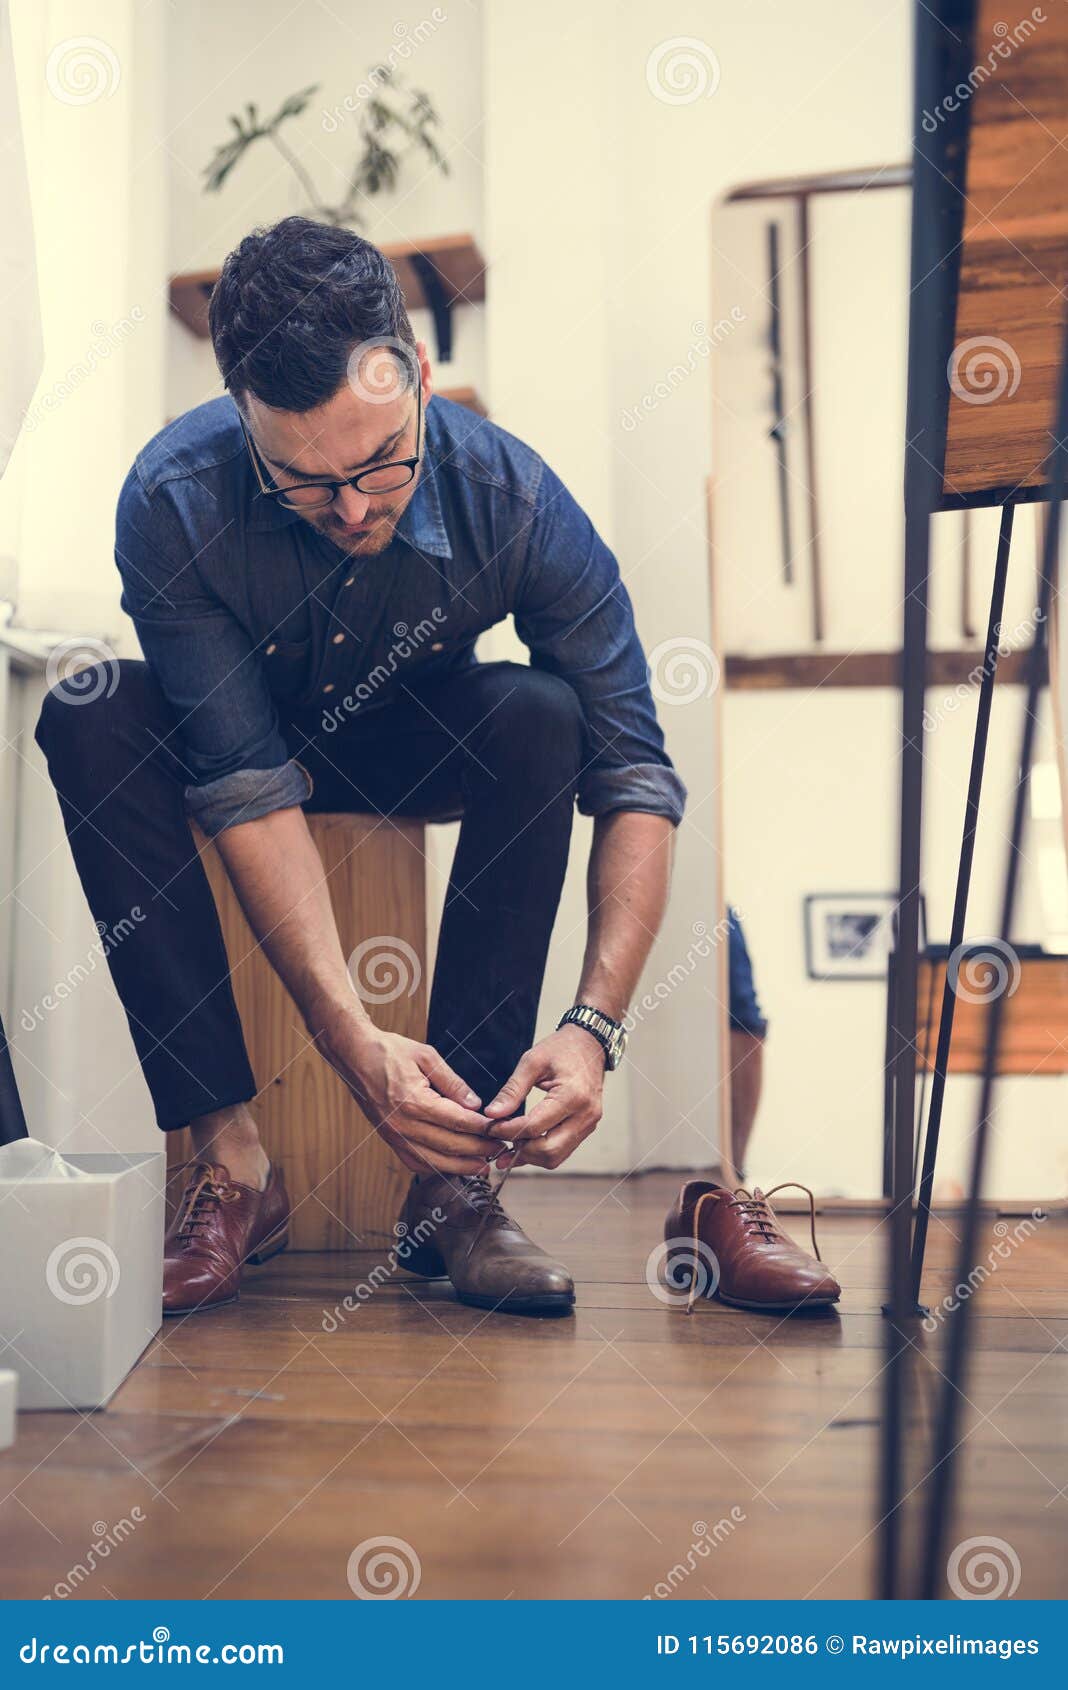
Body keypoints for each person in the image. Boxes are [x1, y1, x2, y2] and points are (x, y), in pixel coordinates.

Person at [35, 216, 686, 1317]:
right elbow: (244, 779)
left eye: (382, 460)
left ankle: (455, 1187)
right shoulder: (171, 498)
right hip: (238, 741)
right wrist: (354, 1046)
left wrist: (596, 1026)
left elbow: (637, 775)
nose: (352, 506)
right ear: (244, 418)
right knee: (86, 711)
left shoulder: (516, 500)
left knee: (541, 712)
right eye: (304, 479)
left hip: (407, 740)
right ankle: (232, 1162)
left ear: (420, 378)